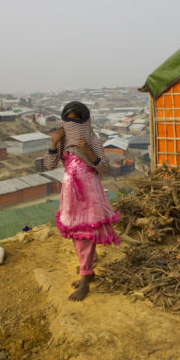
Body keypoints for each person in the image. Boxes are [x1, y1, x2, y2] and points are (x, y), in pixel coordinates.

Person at [43, 101, 120, 301]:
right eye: (69, 119)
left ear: (85, 120)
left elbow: (103, 168)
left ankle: (85, 279)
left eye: (78, 119)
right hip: (70, 192)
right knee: (77, 232)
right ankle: (88, 272)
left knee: (85, 234)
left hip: (89, 191)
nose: (73, 123)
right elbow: (49, 165)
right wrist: (54, 143)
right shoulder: (62, 139)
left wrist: (87, 150)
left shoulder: (92, 139)